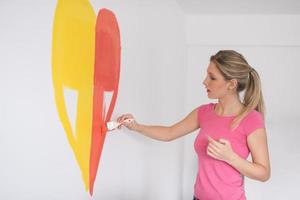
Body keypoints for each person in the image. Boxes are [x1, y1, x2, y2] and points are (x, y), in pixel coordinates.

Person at [117, 50, 270, 200]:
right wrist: (136, 126)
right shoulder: (204, 113)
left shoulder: (251, 119)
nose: (205, 81)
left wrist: (230, 157)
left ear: (231, 84)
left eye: (212, 78)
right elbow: (169, 133)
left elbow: (263, 173)